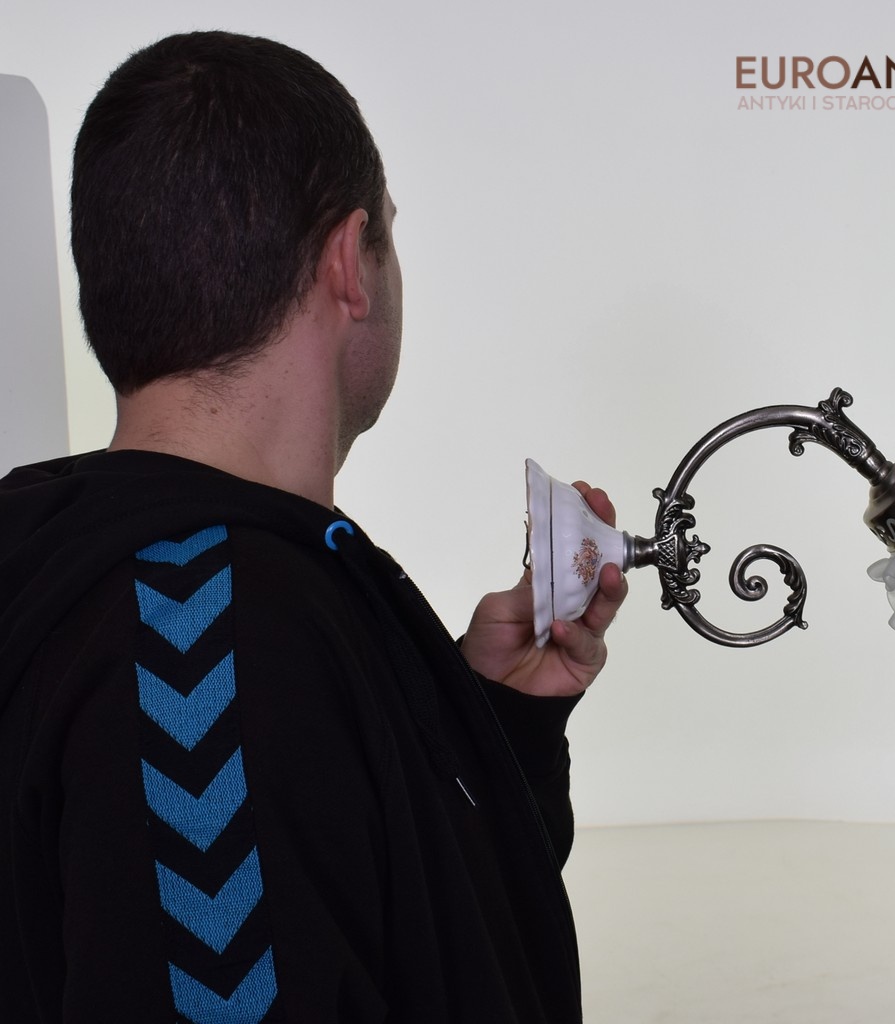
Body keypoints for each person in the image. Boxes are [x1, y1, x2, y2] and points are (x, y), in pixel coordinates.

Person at [0, 31, 627, 1023]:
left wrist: (488, 726)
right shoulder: (208, 634)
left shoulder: (187, 580)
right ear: (349, 261)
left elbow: (397, 929)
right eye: (389, 235)